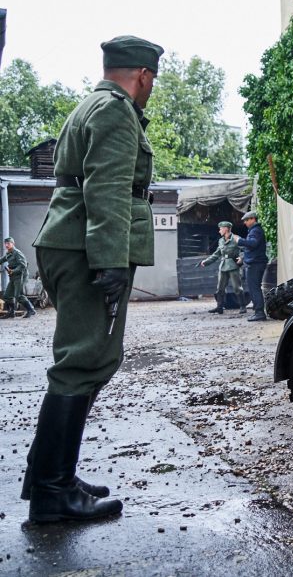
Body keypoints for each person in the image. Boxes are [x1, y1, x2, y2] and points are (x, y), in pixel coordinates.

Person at [24, 35, 163, 523]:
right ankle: (52, 493)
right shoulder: (115, 111)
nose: (151, 88)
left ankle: (49, 475)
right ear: (143, 74)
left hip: (68, 240)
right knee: (84, 361)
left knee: (82, 358)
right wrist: (108, 261)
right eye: (153, 80)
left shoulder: (90, 104)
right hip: (86, 248)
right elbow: (106, 187)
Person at [200, 221, 246, 314]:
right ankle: (219, 307)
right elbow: (216, 254)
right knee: (220, 288)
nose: (219, 230)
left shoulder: (236, 239)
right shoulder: (221, 240)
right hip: (223, 266)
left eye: (220, 229)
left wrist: (241, 258)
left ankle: (242, 306)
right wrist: (206, 262)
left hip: (233, 266)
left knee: (237, 288)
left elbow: (246, 250)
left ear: (226, 229)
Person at [237, 211, 269, 322]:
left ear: (253, 219)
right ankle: (258, 311)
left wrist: (239, 240)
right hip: (255, 262)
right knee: (254, 288)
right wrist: (243, 258)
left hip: (255, 263)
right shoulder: (255, 230)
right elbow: (252, 247)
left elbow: (253, 243)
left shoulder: (255, 230)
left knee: (254, 288)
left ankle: (259, 313)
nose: (245, 222)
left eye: (246, 220)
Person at [1, 237, 35, 318]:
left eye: (8, 243)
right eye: (5, 243)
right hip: (13, 277)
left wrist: (13, 271)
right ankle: (11, 312)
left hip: (21, 275)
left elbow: (23, 265)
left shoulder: (17, 253)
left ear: (13, 244)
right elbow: (1, 260)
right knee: (7, 295)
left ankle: (31, 310)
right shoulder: (8, 254)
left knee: (18, 295)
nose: (7, 245)